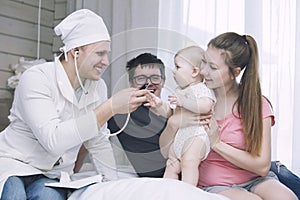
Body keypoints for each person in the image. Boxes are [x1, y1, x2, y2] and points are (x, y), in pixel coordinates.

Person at [0, 9, 149, 200]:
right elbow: (53, 140)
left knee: (49, 197)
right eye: (100, 53)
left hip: (52, 173)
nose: (106, 62)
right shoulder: (37, 78)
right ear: (76, 51)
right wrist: (110, 107)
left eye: (107, 54)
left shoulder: (98, 87)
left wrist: (113, 186)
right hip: (16, 163)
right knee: (14, 195)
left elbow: (98, 143)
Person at [159, 32, 297, 200]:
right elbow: (167, 151)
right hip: (215, 185)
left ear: (235, 72)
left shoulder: (257, 105)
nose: (203, 71)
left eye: (213, 67)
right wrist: (173, 123)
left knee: (286, 198)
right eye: (204, 62)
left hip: (256, 180)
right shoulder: (194, 97)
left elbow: (261, 166)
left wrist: (216, 143)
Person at [147, 46, 215, 186]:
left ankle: (188, 194)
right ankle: (168, 192)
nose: (173, 70)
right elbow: (171, 113)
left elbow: (205, 106)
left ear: (194, 71)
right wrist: (159, 104)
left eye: (178, 67)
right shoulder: (179, 90)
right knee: (171, 166)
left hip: (196, 137)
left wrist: (183, 101)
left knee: (189, 162)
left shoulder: (202, 89)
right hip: (179, 138)